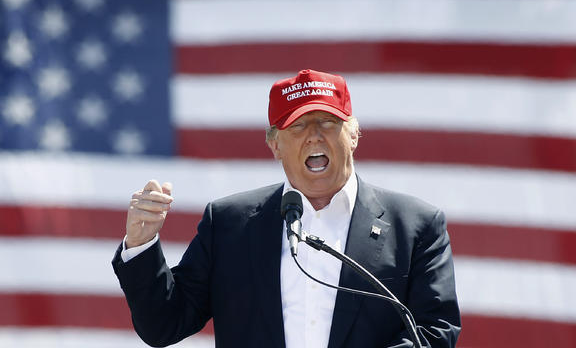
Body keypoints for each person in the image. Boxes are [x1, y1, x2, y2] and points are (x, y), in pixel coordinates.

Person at [112, 69, 461, 347]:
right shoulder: (230, 224)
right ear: (275, 145)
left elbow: (434, 330)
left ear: (353, 134)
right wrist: (141, 246)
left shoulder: (415, 225)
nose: (314, 136)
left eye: (328, 122)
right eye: (297, 126)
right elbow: (164, 325)